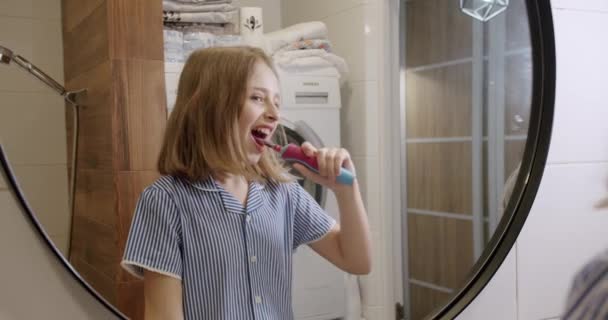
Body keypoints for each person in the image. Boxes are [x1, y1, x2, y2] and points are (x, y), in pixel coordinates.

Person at [121, 46, 372, 320]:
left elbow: (357, 261)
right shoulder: (165, 202)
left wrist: (346, 191)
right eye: (257, 98)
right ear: (210, 106)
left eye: (277, 101)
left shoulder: (284, 194)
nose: (275, 114)